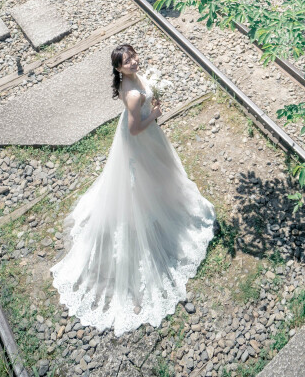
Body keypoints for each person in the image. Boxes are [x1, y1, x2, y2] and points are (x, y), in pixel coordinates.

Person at [51, 43, 215, 334]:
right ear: (118, 69)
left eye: (132, 56)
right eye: (126, 61)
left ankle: (163, 202)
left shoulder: (131, 82)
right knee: (144, 184)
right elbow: (134, 128)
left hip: (144, 138)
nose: (132, 62)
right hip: (140, 140)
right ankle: (156, 215)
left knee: (158, 176)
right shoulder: (133, 94)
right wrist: (153, 115)